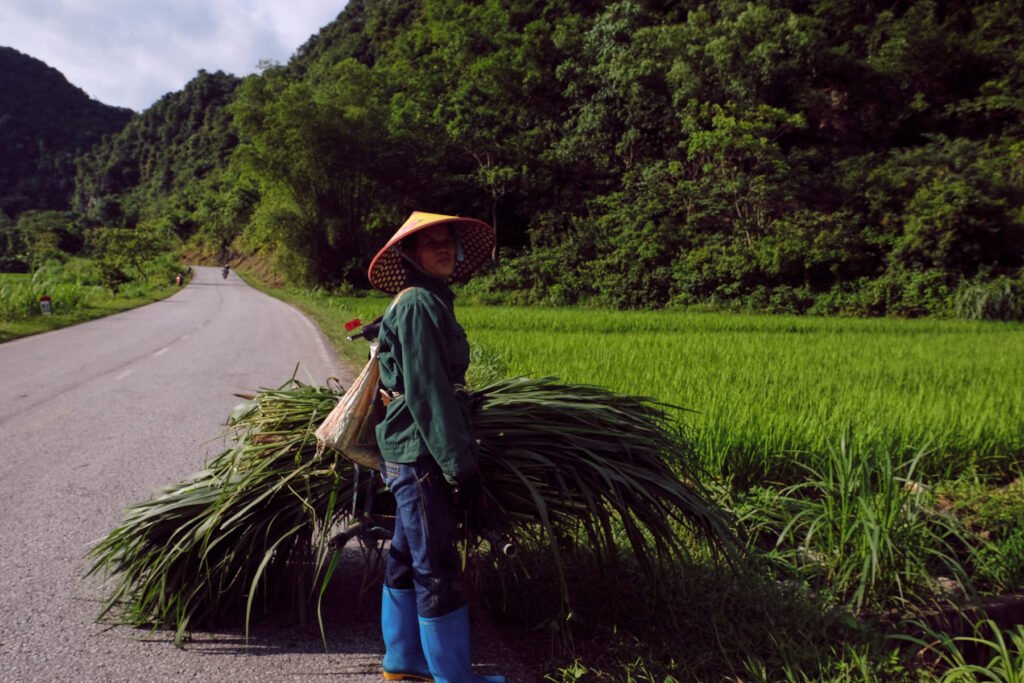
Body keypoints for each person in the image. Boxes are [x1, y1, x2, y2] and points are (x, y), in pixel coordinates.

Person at [367, 211, 505, 683]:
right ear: (410, 255)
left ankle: (404, 661)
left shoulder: (431, 300)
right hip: (419, 452)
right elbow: (429, 395)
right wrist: (460, 470)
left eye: (447, 241)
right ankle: (453, 678)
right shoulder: (419, 305)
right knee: (437, 564)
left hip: (412, 449)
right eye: (430, 244)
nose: (443, 249)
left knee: (408, 554)